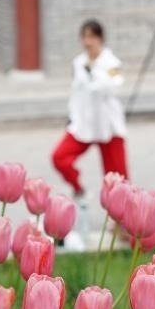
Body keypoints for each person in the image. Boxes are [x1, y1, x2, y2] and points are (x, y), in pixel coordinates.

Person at [51, 20, 129, 218]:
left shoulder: (111, 62)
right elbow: (76, 92)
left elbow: (114, 85)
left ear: (100, 39)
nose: (88, 42)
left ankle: (120, 221)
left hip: (108, 126)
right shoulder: (78, 63)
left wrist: (94, 72)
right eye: (85, 37)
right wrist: (71, 116)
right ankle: (79, 189)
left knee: (118, 180)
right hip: (83, 124)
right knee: (59, 157)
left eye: (92, 37)